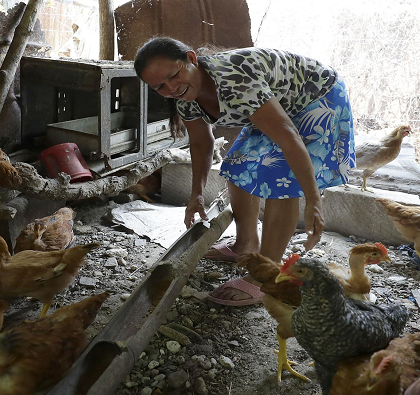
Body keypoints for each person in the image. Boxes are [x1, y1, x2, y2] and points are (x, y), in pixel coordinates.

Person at [134, 37, 355, 306]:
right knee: (237, 164)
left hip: (318, 96)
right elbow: (202, 143)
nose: (171, 88)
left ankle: (267, 274)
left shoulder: (234, 80)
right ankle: (245, 244)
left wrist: (313, 200)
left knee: (280, 180)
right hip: (282, 105)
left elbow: (288, 137)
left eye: (174, 76)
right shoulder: (186, 100)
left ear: (191, 59)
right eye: (159, 87)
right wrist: (196, 195)